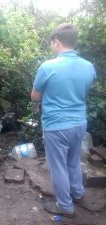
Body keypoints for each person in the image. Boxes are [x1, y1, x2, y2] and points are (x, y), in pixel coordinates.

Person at [31, 23, 96, 217]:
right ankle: (77, 192)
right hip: (79, 123)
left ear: (57, 42)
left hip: (56, 126)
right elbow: (83, 90)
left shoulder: (48, 66)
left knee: (58, 166)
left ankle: (65, 207)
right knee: (73, 161)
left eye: (52, 43)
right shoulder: (89, 67)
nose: (52, 47)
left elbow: (35, 96)